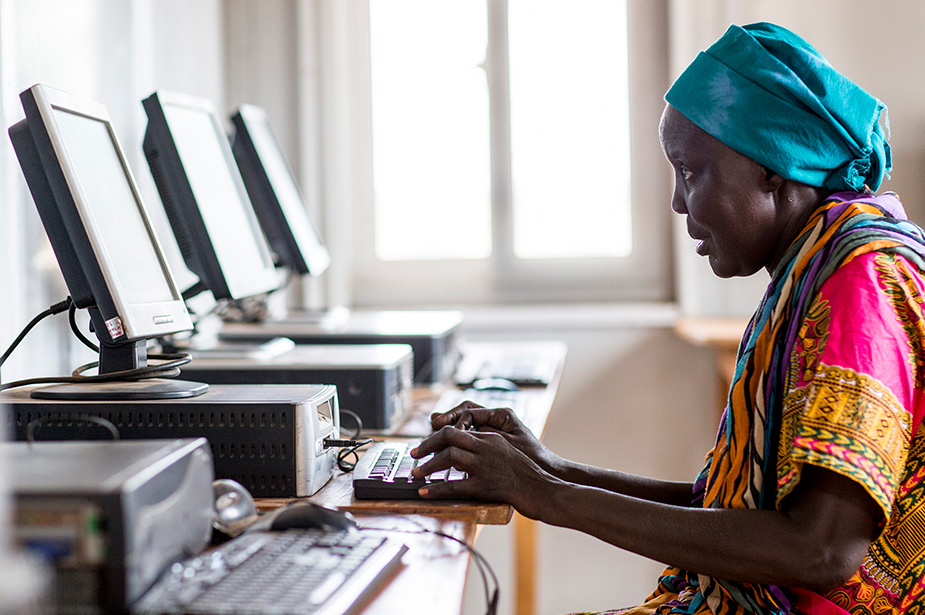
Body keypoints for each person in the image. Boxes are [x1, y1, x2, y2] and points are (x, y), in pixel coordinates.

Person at [410, 22, 925, 615]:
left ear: (772, 171)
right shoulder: (816, 264)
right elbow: (734, 516)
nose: (680, 202)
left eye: (692, 172)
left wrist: (544, 493)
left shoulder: (862, 279)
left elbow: (822, 550)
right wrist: (549, 468)